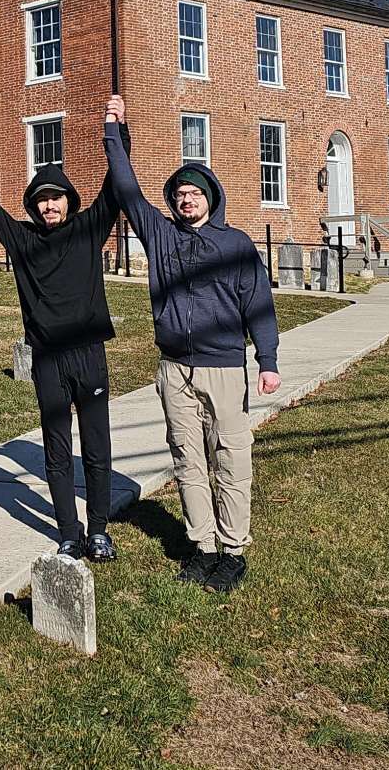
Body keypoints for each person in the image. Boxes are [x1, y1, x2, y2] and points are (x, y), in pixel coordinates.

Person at [102, 96, 281, 594]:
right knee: (187, 458)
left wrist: (267, 361)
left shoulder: (236, 245)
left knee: (230, 456)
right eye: (179, 194)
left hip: (224, 369)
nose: (186, 200)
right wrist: (113, 128)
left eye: (194, 193)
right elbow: (126, 189)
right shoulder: (161, 236)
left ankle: (233, 549)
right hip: (174, 369)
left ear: (210, 198)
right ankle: (201, 546)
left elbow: (259, 307)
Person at [0, 127, 123, 561]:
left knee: (97, 446)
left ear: (70, 200)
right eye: (42, 199)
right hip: (48, 359)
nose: (50, 205)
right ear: (33, 205)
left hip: (89, 355)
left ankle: (99, 530)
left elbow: (114, 186)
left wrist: (114, 130)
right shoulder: (24, 241)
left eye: (57, 197)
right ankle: (69, 531)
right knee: (56, 449)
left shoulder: (89, 228)